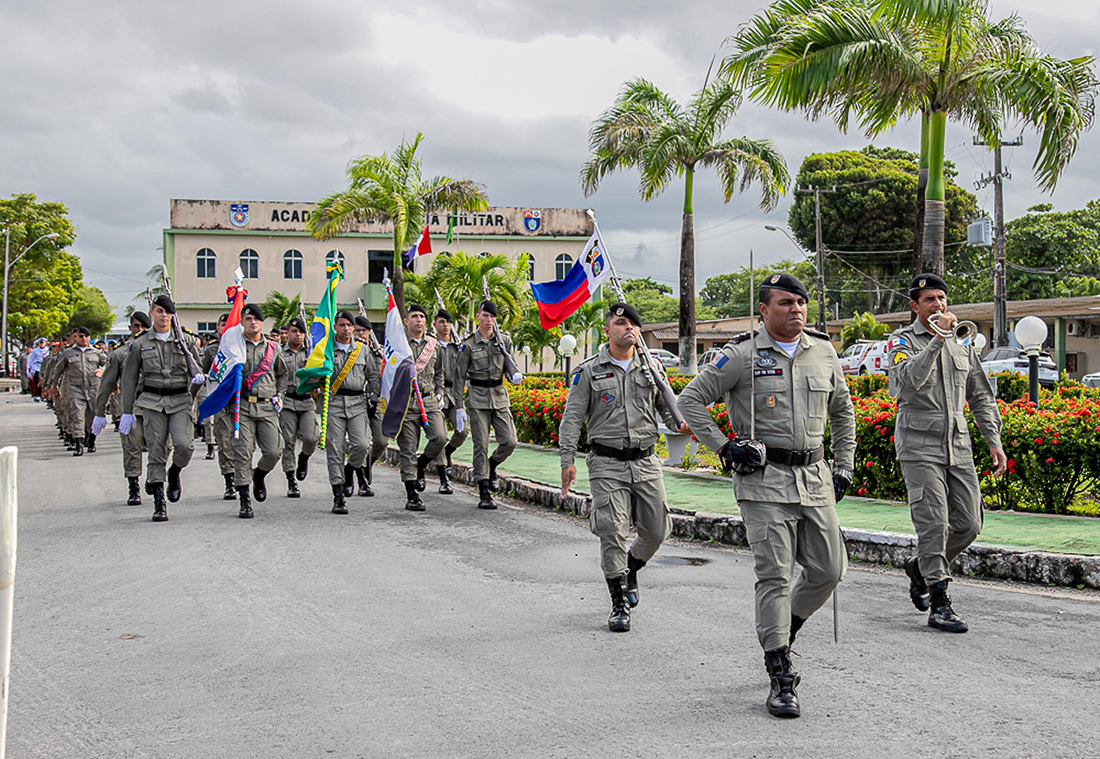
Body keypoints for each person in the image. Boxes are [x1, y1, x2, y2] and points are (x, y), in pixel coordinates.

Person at [678, 272, 856, 720]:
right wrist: (724, 447)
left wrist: (844, 465)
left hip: (814, 478)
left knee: (829, 570)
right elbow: (691, 400)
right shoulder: (740, 356)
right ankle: (780, 671)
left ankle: (784, 628)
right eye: (785, 303)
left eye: (800, 302)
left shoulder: (825, 352)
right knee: (774, 575)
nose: (796, 309)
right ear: (763, 310)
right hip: (763, 481)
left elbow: (843, 413)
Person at [887, 274, 1005, 633]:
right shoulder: (901, 341)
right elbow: (907, 382)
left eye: (941, 298)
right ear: (915, 306)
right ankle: (939, 601)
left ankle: (920, 567)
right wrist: (938, 339)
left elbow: (980, 395)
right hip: (918, 444)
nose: (938, 305)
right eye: (929, 300)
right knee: (934, 523)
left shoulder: (962, 342)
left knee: (970, 524)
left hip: (958, 443)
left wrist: (994, 440)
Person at [559, 303, 687, 633]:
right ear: (608, 330)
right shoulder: (589, 371)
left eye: (632, 323)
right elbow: (572, 418)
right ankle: (618, 603)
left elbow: (667, 407)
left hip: (646, 461)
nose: (627, 328)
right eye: (620, 323)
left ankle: (629, 570)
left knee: (658, 530)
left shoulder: (652, 368)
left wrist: (681, 422)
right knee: (612, 531)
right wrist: (567, 461)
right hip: (606, 463)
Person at [119, 295, 204, 522]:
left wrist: (197, 385)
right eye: (159, 310)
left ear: (172, 315)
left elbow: (198, 373)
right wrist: (127, 411)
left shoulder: (185, 342)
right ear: (152, 313)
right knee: (156, 450)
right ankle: (159, 502)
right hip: (152, 402)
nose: (163, 315)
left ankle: (174, 472)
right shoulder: (139, 344)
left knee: (184, 446)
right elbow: (128, 380)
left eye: (167, 311)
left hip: (180, 401)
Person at [455, 300, 520, 509]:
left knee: (509, 441)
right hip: (477, 398)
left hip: (499, 396)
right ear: (478, 318)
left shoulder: (504, 341)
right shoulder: (469, 344)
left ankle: (492, 465)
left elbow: (510, 366)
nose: (489, 320)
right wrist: (458, 407)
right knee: (480, 444)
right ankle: (483, 490)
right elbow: (458, 377)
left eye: (492, 317)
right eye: (485, 316)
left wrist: (515, 374)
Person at [230, 303, 287, 518]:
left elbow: (282, 374)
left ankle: (259, 475)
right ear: (242, 322)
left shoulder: (273, 348)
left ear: (262, 323)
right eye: (248, 319)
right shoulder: (234, 346)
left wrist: (279, 395)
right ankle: (244, 500)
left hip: (267, 406)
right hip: (242, 405)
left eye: (256, 319)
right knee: (242, 452)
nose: (252, 322)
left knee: (273, 451)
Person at [92, 311, 152, 505]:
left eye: (144, 327)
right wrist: (99, 412)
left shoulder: (159, 348)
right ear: (130, 329)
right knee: (132, 447)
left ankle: (155, 479)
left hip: (156, 406)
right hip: (131, 408)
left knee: (162, 447)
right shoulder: (119, 353)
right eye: (136, 326)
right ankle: (134, 486)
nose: (140, 330)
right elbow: (107, 383)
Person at [396, 304, 448, 511]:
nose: (419, 320)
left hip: (428, 399)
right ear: (406, 321)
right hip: (405, 401)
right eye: (414, 316)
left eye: (422, 316)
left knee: (440, 437)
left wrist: (440, 392)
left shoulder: (433, 346)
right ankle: (412, 495)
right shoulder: (398, 345)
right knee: (408, 448)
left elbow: (440, 372)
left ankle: (422, 463)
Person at [326, 311, 380, 513]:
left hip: (357, 402)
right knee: (335, 449)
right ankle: (338, 495)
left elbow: (373, 376)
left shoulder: (362, 350)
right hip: (333, 402)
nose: (346, 329)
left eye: (349, 325)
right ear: (335, 327)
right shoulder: (326, 349)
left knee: (362, 445)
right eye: (342, 325)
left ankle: (350, 470)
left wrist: (374, 399)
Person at [279, 316, 318, 498]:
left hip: (307, 401)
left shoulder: (311, 353)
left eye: (301, 332)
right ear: (287, 333)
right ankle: (291, 480)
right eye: (294, 331)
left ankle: (304, 458)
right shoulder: (280, 352)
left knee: (311, 438)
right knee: (288, 441)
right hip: (287, 401)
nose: (298, 335)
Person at [54, 326, 106, 456]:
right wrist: (54, 387)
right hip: (75, 389)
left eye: (86, 336)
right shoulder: (68, 353)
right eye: (81, 336)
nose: (84, 339)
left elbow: (108, 364)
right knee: (77, 416)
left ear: (90, 338)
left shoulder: (96, 353)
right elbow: (58, 370)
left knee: (92, 417)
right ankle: (79, 444)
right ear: (76, 337)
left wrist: (102, 370)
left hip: (93, 389)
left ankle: (92, 440)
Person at [202, 313, 238, 501]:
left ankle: (244, 476)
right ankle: (230, 480)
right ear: (218, 329)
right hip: (221, 403)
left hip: (241, 401)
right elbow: (205, 374)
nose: (227, 327)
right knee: (224, 442)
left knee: (243, 442)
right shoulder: (212, 350)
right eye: (223, 324)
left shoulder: (242, 347)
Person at [431, 308, 466, 493]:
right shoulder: (430, 345)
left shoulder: (457, 345)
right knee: (440, 435)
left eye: (448, 322)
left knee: (462, 430)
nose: (445, 325)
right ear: (434, 324)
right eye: (441, 322)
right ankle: (444, 479)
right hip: (436, 393)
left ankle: (448, 451)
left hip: (455, 392)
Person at [354, 314, 387, 493]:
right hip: (357, 402)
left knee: (381, 442)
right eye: (357, 330)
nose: (359, 333)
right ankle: (362, 482)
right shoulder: (349, 351)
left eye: (363, 331)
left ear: (369, 332)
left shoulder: (378, 352)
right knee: (362, 443)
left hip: (376, 402)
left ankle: (367, 466)